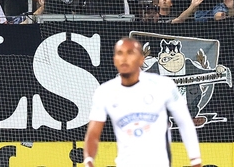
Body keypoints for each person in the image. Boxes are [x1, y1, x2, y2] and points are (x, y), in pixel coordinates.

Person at [84, 37, 202, 167]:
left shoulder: (163, 85)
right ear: (114, 60)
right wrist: (89, 160)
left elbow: (185, 122)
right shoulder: (104, 92)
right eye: (119, 53)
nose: (124, 58)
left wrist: (195, 159)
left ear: (141, 59)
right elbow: (93, 133)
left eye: (130, 53)